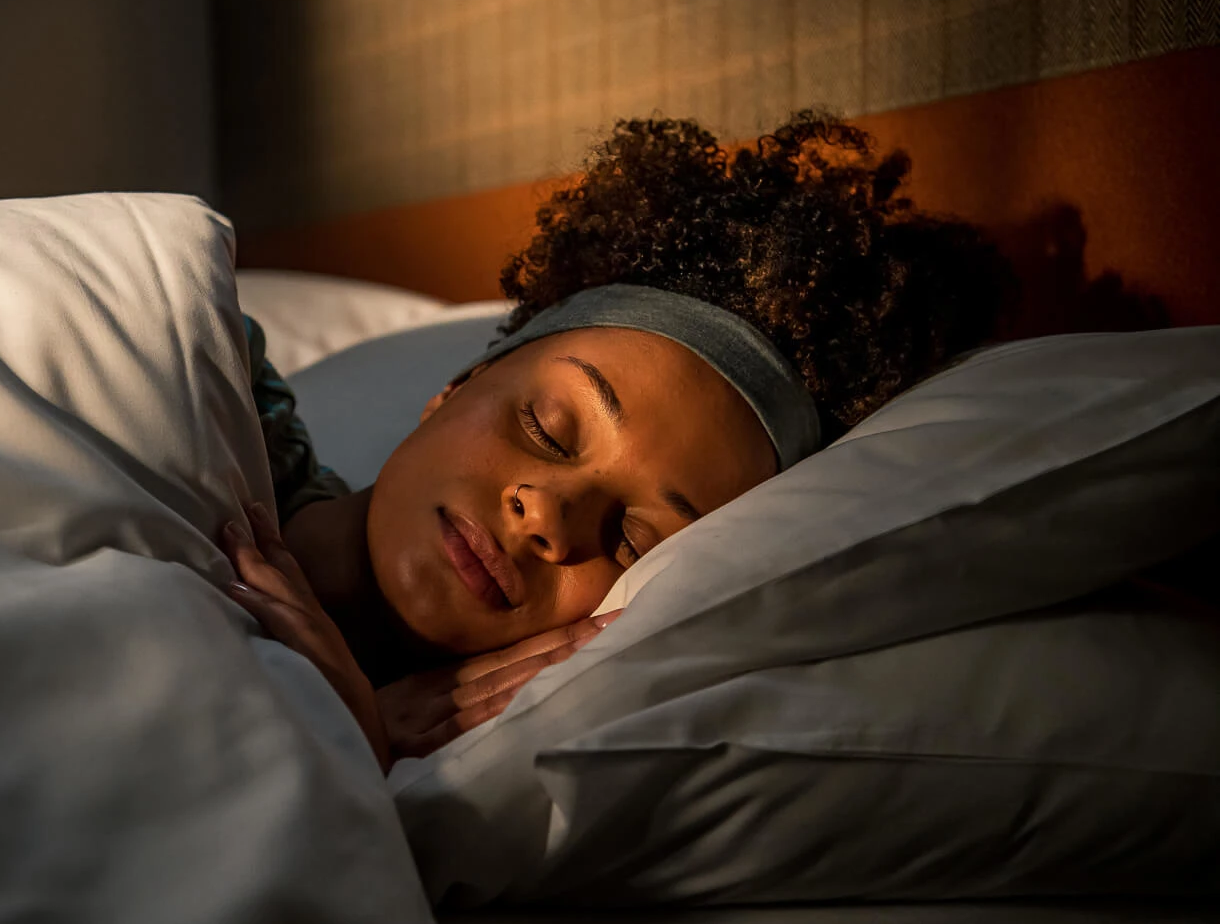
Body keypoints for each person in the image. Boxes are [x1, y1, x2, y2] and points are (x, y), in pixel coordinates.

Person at [221, 112, 1011, 772]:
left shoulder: (415, 758)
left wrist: (343, 744)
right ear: (456, 386)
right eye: (548, 429)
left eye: (632, 541)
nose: (548, 520)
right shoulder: (205, 370)